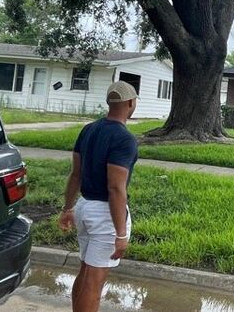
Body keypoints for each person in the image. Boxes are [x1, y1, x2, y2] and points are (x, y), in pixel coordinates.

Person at [58, 81, 139, 312]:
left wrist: (67, 209)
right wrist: (121, 233)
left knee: (86, 272)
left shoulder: (89, 129)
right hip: (105, 215)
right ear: (131, 103)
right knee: (94, 280)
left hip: (84, 207)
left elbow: (75, 174)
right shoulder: (125, 139)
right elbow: (115, 188)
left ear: (109, 102)